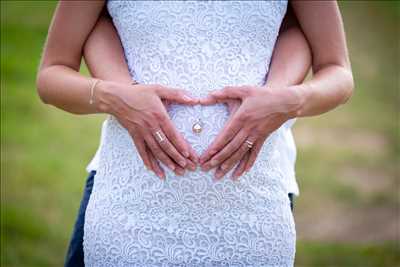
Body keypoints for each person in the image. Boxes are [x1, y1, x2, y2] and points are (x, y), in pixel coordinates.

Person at [36, 1, 353, 266]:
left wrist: (287, 100)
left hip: (251, 213)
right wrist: (116, 96)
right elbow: (54, 71)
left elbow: (335, 67)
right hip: (132, 211)